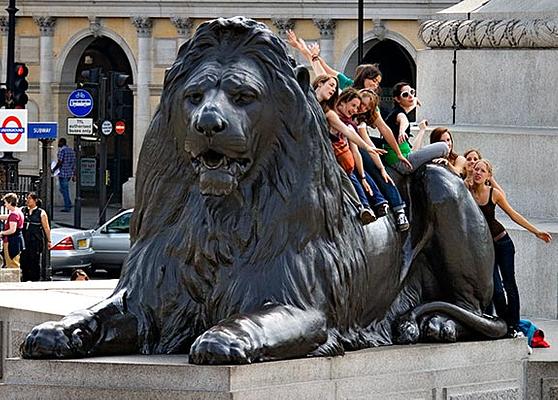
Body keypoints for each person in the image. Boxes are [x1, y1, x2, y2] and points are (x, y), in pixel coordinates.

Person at [285, 30, 413, 171]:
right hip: (345, 138)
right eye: (374, 81)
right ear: (364, 78)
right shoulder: (347, 86)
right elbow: (324, 72)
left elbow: (384, 128)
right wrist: (308, 53)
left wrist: (398, 153)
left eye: (378, 82)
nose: (376, 85)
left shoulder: (370, 103)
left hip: (355, 139)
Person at [469, 159, 552, 336]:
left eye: (482, 171)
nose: (478, 173)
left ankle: (513, 325)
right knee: (496, 290)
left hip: (503, 243)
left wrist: (536, 231)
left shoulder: (494, 194)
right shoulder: (467, 191)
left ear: (488, 176)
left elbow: (513, 215)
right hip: (485, 249)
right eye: (476, 169)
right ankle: (505, 323)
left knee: (509, 283)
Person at [312, 75, 386, 223]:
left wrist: (367, 147)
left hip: (323, 154)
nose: (333, 89)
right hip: (306, 149)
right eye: (331, 85)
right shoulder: (305, 100)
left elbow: (348, 133)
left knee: (346, 174)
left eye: (335, 87)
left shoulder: (329, 112)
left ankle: (361, 207)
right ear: (319, 83)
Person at [355, 89, 409, 231]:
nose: (362, 109)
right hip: (349, 146)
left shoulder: (362, 120)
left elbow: (382, 132)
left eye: (367, 107)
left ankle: (398, 209)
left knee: (375, 168)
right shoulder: (349, 102)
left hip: (360, 146)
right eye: (362, 105)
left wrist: (394, 157)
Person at [384, 82, 449, 174]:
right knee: (444, 146)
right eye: (405, 95)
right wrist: (402, 131)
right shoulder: (398, 114)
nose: (410, 96)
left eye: (412, 92)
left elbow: (407, 109)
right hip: (402, 162)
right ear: (397, 99)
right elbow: (404, 120)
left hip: (404, 156)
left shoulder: (397, 111)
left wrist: (415, 101)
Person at [20, 193, 51, 282]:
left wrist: (49, 240)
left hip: (35, 241)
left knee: (34, 260)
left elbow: (46, 227)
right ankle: (25, 278)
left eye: (29, 198)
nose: (27, 200)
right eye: (27, 198)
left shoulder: (41, 212)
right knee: (24, 260)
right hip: (25, 240)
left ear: (35, 200)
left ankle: (35, 279)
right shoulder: (23, 210)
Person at [0, 193, 25, 268]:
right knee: (14, 262)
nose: (5, 205)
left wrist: (2, 232)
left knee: (12, 263)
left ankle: (13, 279)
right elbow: (8, 217)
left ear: (10, 203)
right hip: (17, 240)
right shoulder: (18, 211)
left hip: (12, 241)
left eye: (6, 203)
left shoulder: (14, 214)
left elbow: (12, 230)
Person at [51, 137, 76, 212]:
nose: (58, 143)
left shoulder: (62, 151)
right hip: (69, 173)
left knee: (64, 190)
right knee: (64, 189)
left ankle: (67, 206)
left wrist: (54, 169)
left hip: (63, 173)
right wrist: (73, 173)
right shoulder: (71, 151)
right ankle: (69, 203)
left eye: (59, 142)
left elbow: (60, 162)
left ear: (62, 142)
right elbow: (74, 163)